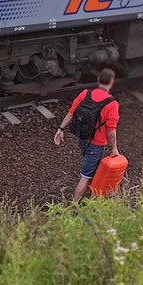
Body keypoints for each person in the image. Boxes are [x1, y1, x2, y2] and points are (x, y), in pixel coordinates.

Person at [54, 68, 121, 201]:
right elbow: (111, 130)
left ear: (98, 80)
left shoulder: (85, 93)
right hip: (96, 146)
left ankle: (89, 194)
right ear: (111, 82)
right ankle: (73, 206)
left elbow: (71, 113)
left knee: (92, 170)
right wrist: (114, 149)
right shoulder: (112, 104)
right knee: (85, 176)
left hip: (83, 139)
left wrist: (60, 129)